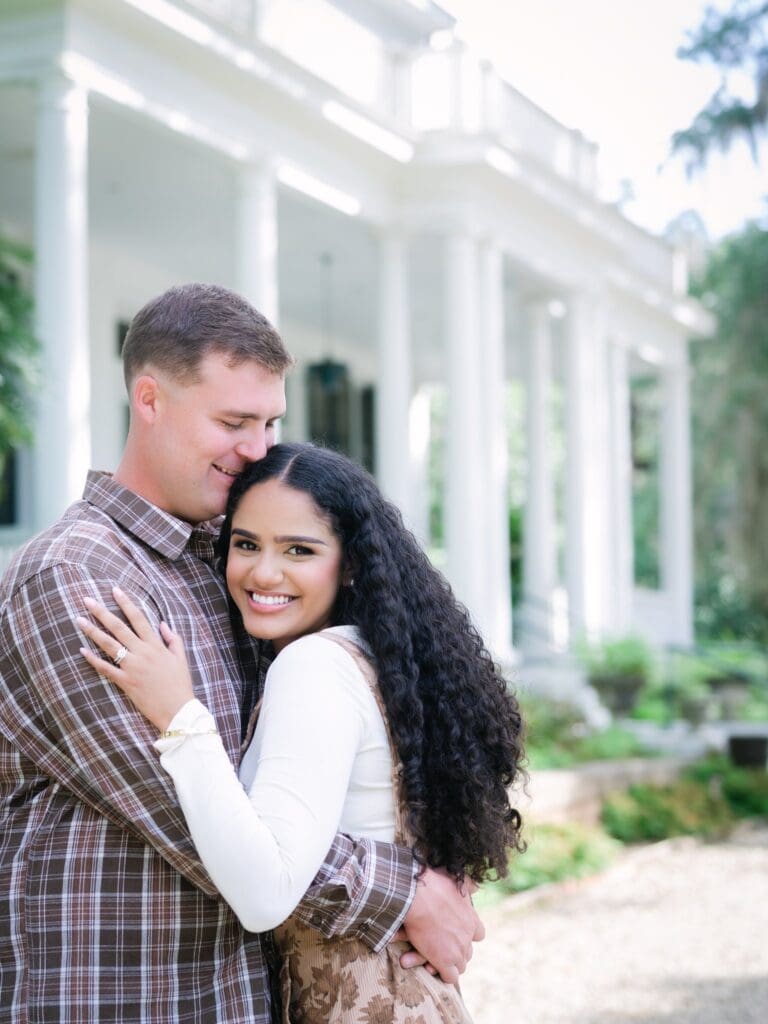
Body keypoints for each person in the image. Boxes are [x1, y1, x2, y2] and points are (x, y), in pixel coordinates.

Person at [0, 284, 481, 1024]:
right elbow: (197, 825)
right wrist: (407, 889)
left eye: (269, 422)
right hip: (117, 994)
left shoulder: (227, 565)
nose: (257, 449)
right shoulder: (79, 577)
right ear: (150, 399)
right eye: (233, 422)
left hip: (235, 997)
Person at [76, 442, 526, 1023]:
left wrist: (180, 716)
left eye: (299, 549)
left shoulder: (312, 666)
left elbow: (266, 893)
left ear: (352, 561)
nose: (264, 572)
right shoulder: (375, 655)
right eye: (246, 544)